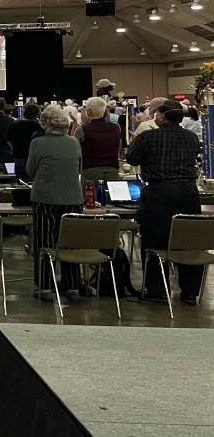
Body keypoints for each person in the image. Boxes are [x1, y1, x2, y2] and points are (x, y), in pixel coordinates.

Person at [126, 100, 203, 303]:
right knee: (188, 239)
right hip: (188, 190)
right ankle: (190, 292)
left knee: (154, 240)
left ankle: (158, 290)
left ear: (161, 116)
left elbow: (131, 158)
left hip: (159, 191)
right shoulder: (191, 137)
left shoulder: (149, 136)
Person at [26, 105, 84, 302]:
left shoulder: (38, 143)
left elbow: (30, 171)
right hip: (73, 198)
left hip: (45, 198)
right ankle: (73, 285)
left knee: (44, 243)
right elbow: (79, 168)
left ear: (44, 123)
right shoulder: (74, 143)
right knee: (70, 242)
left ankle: (44, 286)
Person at [74, 96, 122, 191]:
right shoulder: (116, 127)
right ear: (104, 111)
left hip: (90, 170)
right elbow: (118, 148)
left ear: (89, 112)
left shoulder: (82, 129)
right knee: (112, 198)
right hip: (113, 169)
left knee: (90, 198)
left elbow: (75, 151)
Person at [7, 103, 44, 182]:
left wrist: (15, 149)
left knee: (20, 182)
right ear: (37, 114)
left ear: (23, 112)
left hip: (18, 158)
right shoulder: (40, 128)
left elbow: (8, 141)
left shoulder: (13, 126)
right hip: (35, 160)